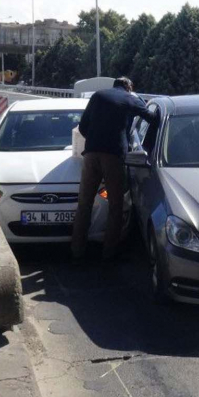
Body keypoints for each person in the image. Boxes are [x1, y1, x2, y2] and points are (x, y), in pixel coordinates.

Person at [71, 77, 156, 261]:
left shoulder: (97, 96)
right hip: (114, 156)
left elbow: (83, 127)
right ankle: (108, 255)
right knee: (116, 206)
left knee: (84, 204)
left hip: (91, 154)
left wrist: (96, 139)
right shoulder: (130, 98)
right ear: (129, 87)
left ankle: (77, 252)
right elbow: (151, 117)